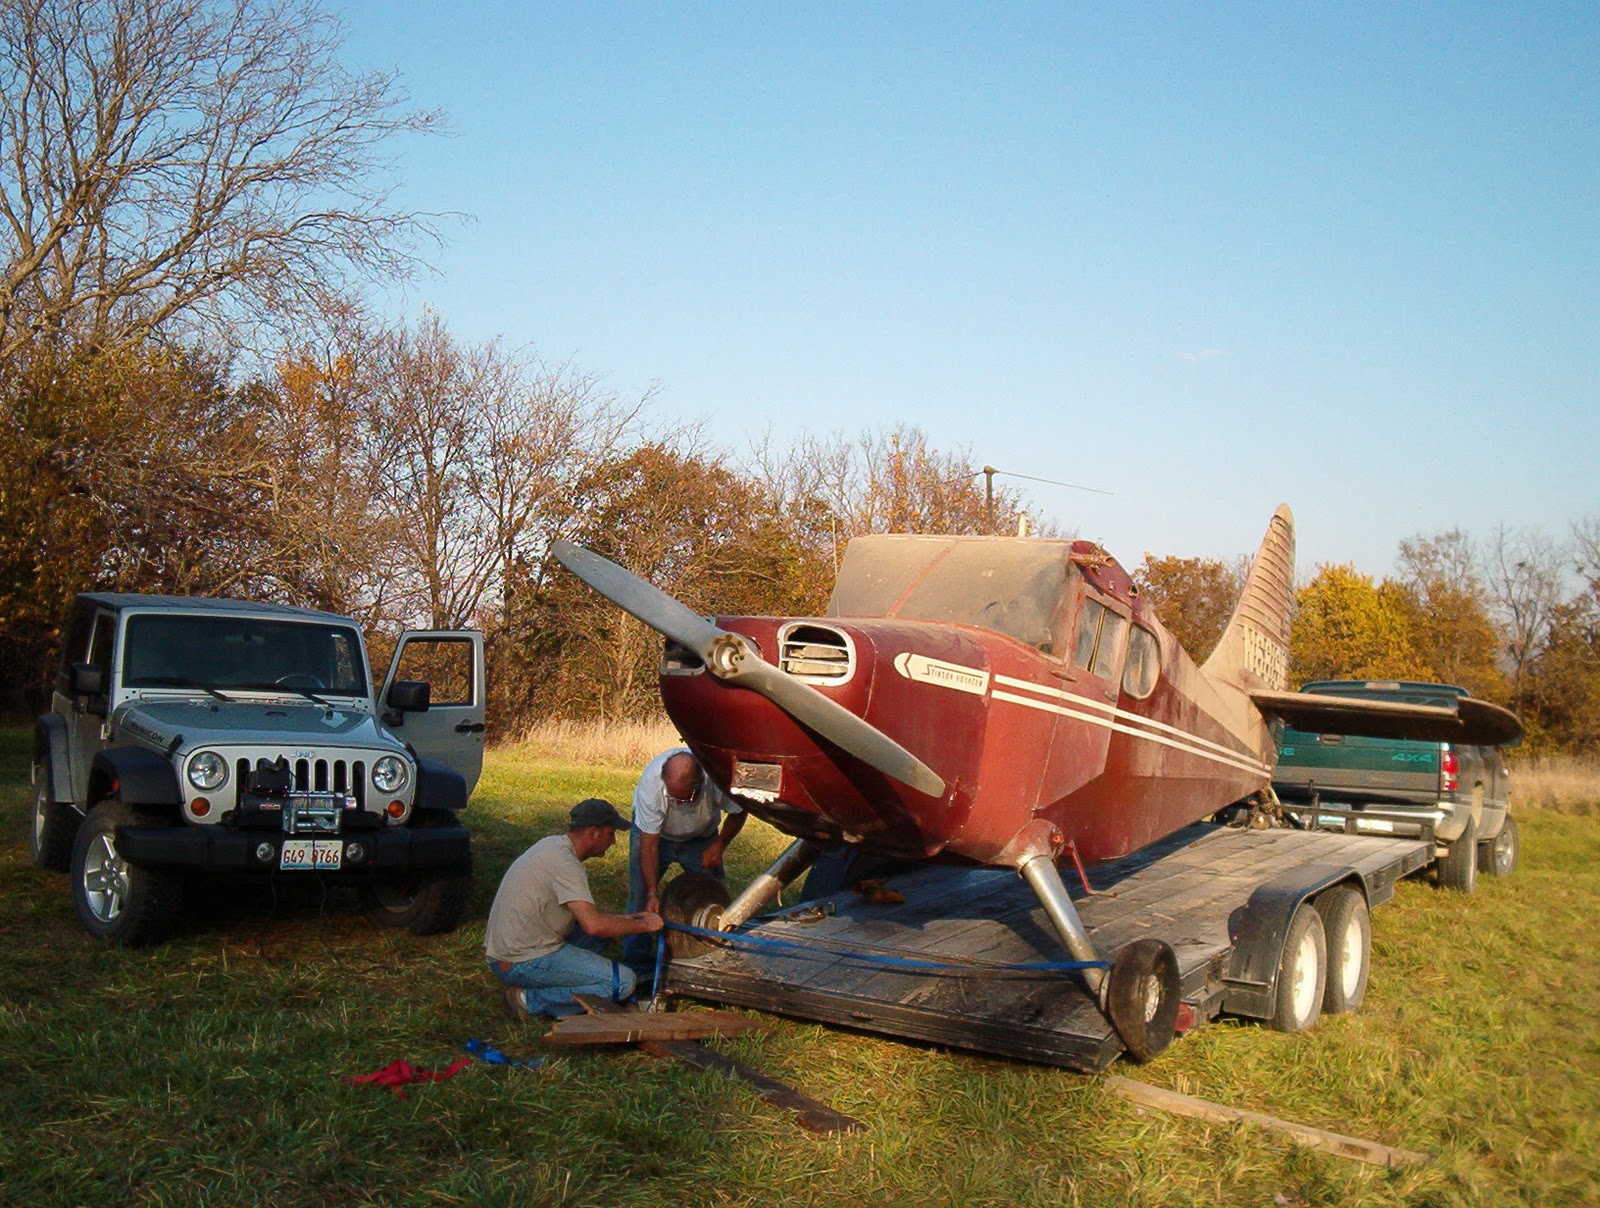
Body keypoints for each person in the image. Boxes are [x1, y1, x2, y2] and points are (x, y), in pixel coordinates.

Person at [485, 797, 663, 1019]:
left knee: (605, 935)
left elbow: (589, 918)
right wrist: (646, 925)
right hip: (520, 962)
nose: (614, 841)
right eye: (611, 833)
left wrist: (627, 919)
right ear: (594, 832)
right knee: (623, 982)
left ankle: (563, 980)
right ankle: (528, 1000)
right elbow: (593, 925)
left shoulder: (553, 845)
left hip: (509, 951)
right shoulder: (567, 865)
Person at [622, 747, 746, 970]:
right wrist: (652, 892)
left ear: (700, 782)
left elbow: (739, 811)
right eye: (673, 798)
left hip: (702, 837)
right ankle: (635, 963)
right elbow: (648, 846)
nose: (679, 804)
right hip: (658, 836)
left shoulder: (716, 775)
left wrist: (719, 846)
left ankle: (715, 955)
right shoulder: (651, 787)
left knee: (712, 895)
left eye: (685, 799)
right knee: (640, 898)